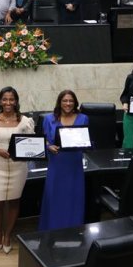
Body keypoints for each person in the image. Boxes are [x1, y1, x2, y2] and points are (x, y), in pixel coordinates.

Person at [0, 87, 34, 254]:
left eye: (11, 99)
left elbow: (31, 141)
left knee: (13, 202)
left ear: (16, 101)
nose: (8, 103)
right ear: (0, 101)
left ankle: (7, 235)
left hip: (19, 167)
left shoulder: (25, 121)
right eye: (5, 99)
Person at [39, 90, 88, 230]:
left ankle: (73, 229)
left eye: (71, 101)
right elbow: (44, 140)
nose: (68, 104)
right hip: (57, 162)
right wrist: (49, 146)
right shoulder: (49, 119)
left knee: (74, 197)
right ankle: (52, 229)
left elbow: (87, 138)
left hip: (74, 164)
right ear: (59, 102)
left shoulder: (83, 118)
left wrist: (87, 144)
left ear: (75, 103)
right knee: (54, 197)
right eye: (65, 101)